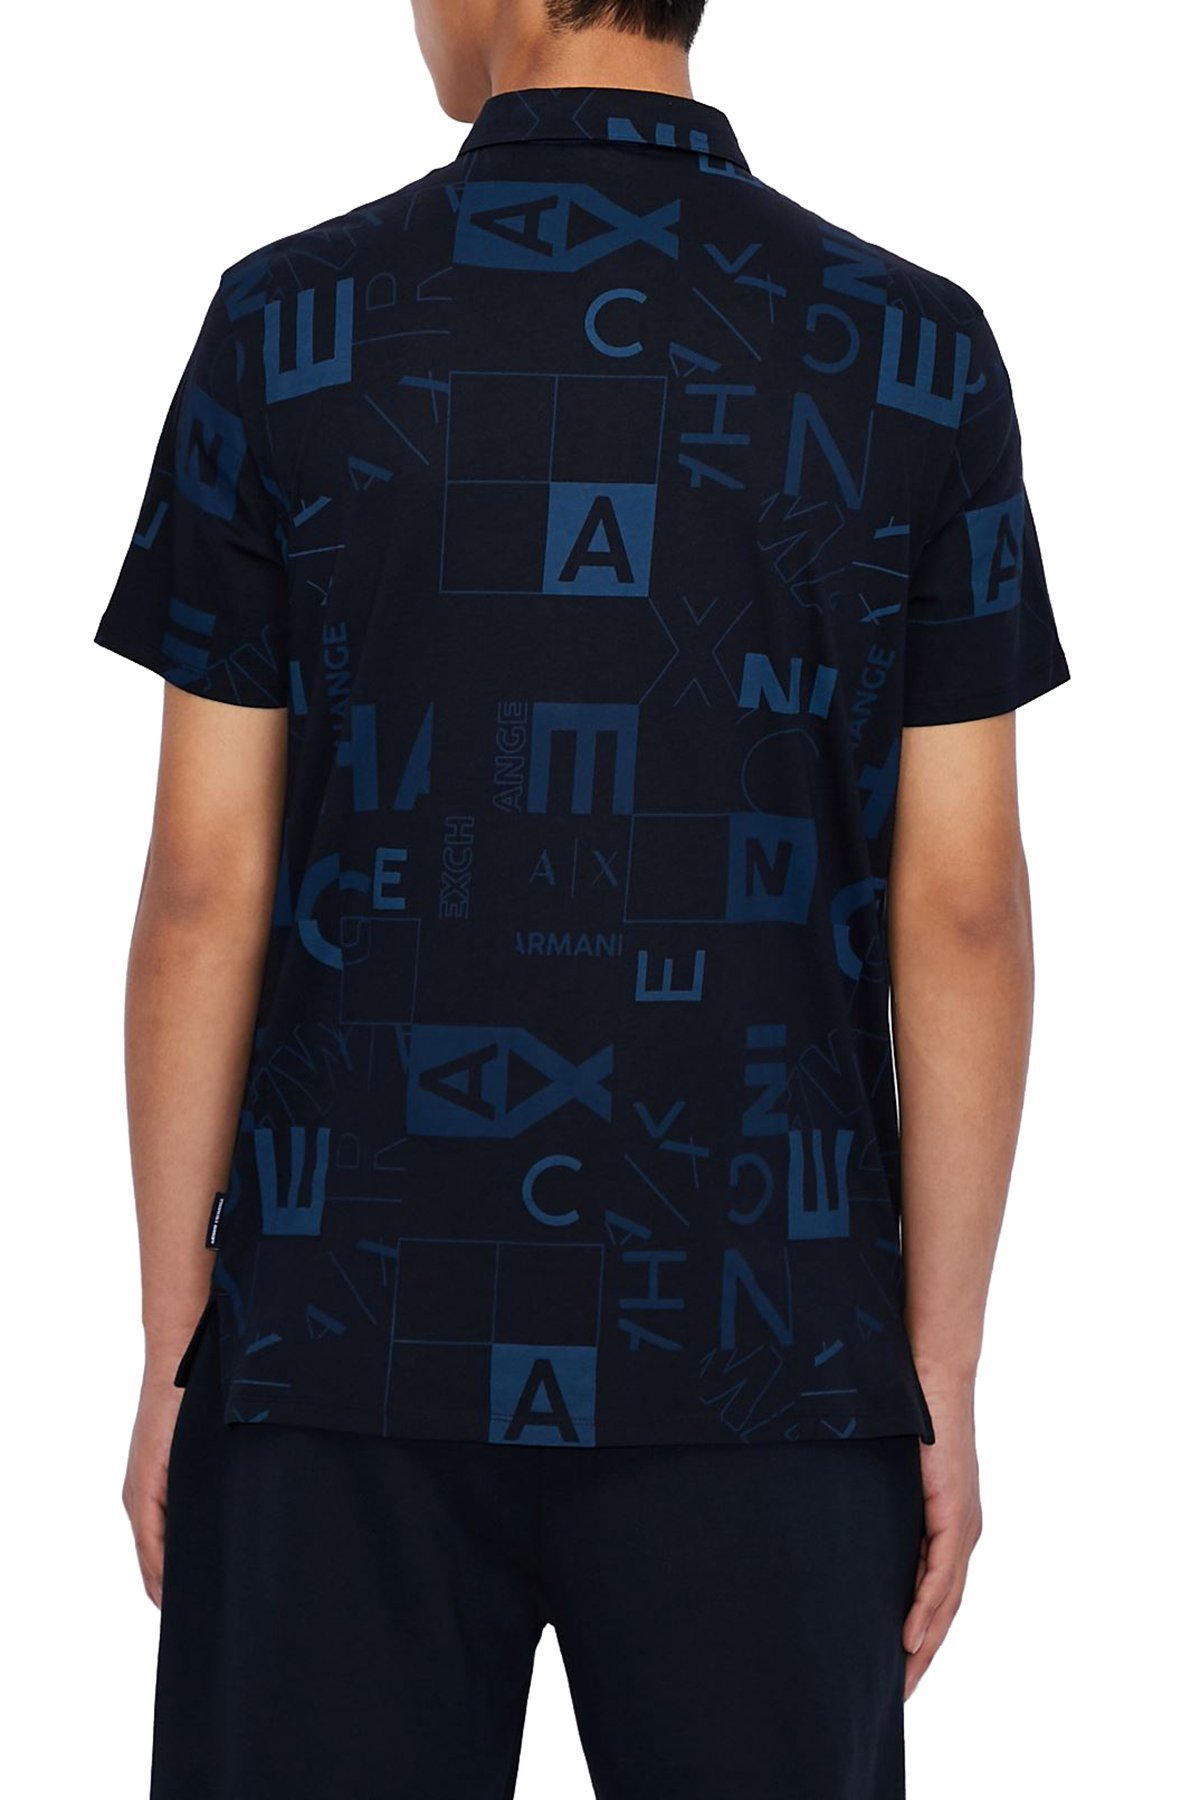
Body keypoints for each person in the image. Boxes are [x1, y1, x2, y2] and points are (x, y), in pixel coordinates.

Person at [92, 2, 1070, 1795]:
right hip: (771, 1349)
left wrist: (185, 1348)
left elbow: (206, 878)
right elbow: (963, 909)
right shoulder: (912, 351)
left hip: (338, 1345)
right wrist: (932, 1370)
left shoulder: (289, 329)